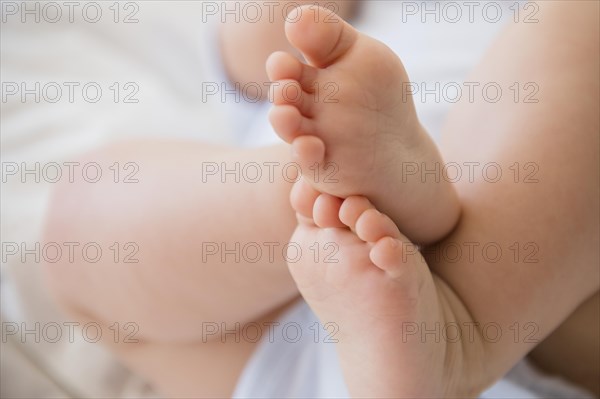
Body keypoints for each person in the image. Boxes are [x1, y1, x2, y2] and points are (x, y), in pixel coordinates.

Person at [42, 1, 599, 397]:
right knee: (79, 235)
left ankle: (460, 330)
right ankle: (319, 190)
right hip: (290, 291)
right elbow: (254, 49)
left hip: (521, 315)